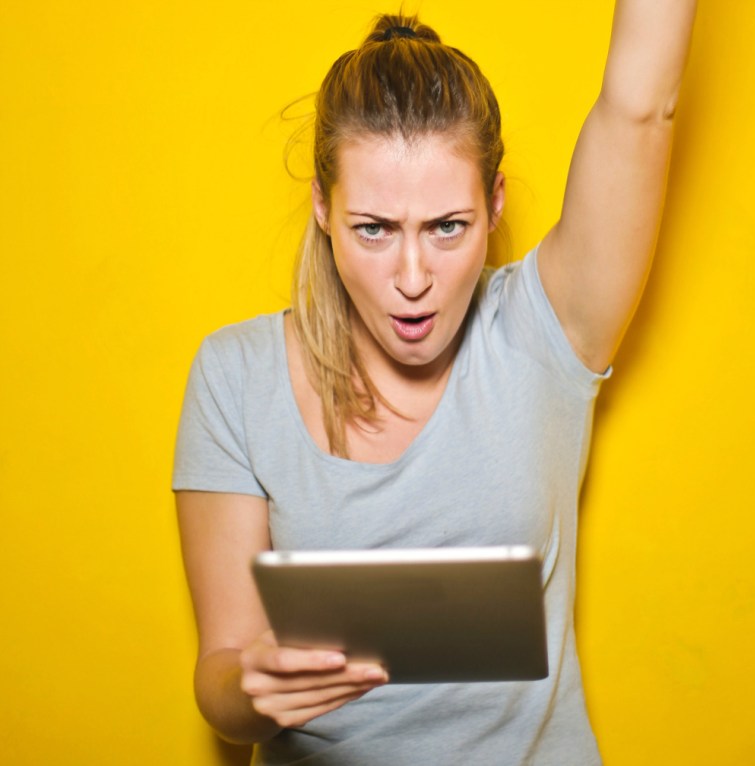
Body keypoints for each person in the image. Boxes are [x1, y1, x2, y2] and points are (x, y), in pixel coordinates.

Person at [174, 3, 697, 764]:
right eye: (374, 228)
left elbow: (643, 106)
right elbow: (219, 680)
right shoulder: (235, 375)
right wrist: (252, 688)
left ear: (494, 206)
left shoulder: (545, 331)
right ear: (323, 209)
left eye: (448, 227)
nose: (412, 280)